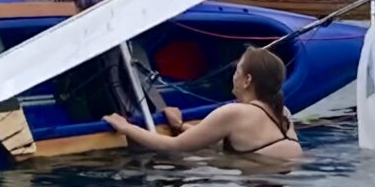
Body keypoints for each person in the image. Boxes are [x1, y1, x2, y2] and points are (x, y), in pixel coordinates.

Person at [103, 47, 302, 160]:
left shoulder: (235, 112)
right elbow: (232, 140)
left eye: (237, 71)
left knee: (172, 163)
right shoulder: (283, 112)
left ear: (247, 80)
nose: (233, 76)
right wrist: (181, 126)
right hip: (283, 183)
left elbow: (174, 146)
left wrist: (126, 127)